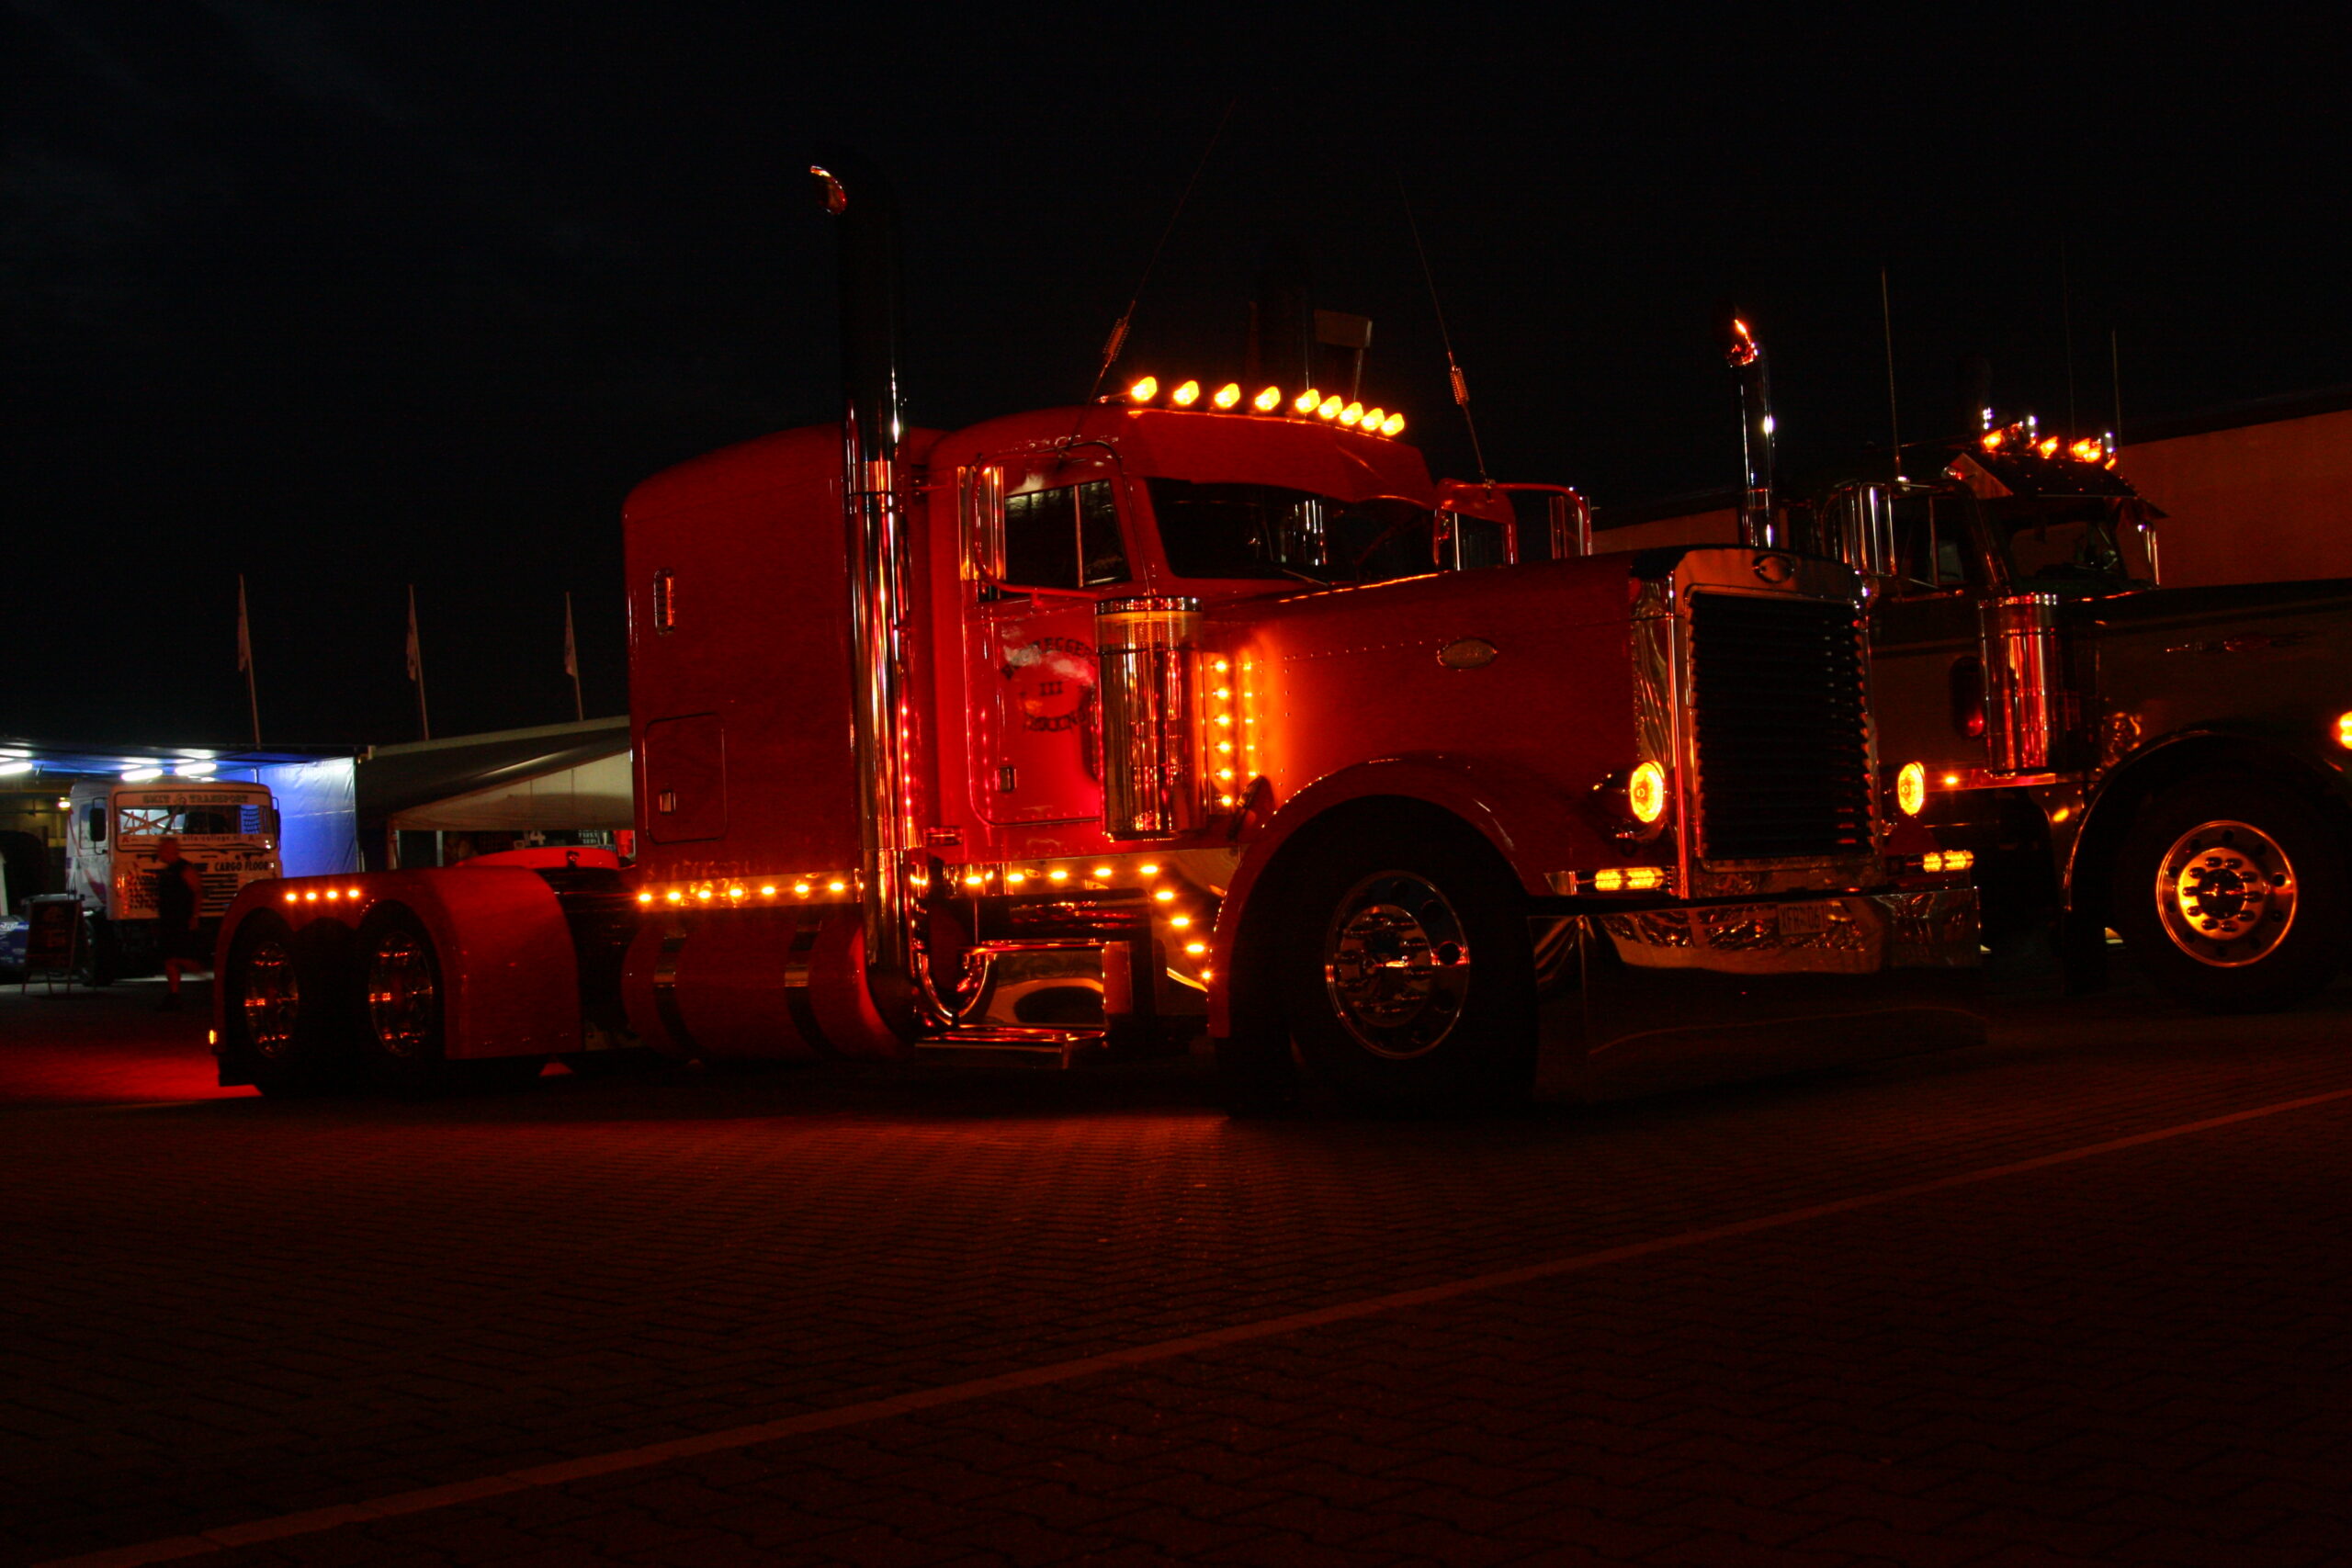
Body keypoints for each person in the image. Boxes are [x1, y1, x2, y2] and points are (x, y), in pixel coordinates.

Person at [151, 835, 206, 1011]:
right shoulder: (168, 870)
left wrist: (194, 917)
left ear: (170, 851)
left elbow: (197, 892)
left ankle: (207, 980)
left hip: (181, 920)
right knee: (170, 959)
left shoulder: (184, 869)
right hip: (168, 920)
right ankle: (174, 994)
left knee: (179, 956)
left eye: (161, 849)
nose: (158, 853)